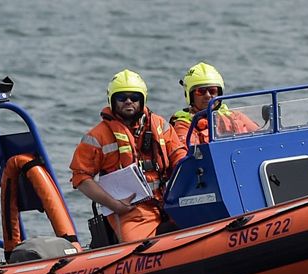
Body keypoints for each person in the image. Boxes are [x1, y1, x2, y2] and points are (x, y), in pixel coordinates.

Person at [69, 69, 187, 243]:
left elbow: (179, 157)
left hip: (167, 202)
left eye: (134, 97)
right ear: (112, 100)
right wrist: (115, 205)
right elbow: (80, 177)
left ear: (143, 100)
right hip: (129, 211)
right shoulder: (97, 136)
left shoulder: (160, 125)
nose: (128, 101)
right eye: (122, 97)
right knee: (137, 248)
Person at [170, 62, 259, 146]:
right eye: (201, 91)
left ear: (219, 93)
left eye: (212, 91)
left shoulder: (235, 116)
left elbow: (261, 137)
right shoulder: (184, 125)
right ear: (190, 95)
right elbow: (185, 154)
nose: (208, 95)